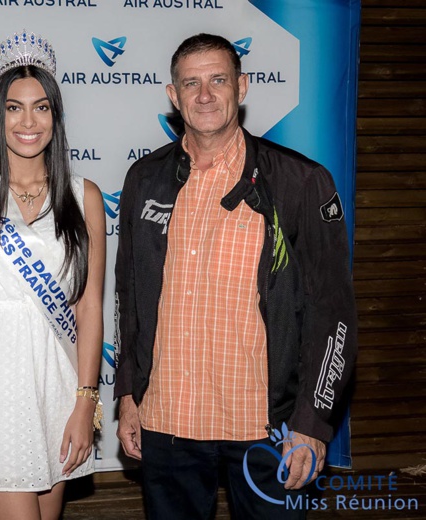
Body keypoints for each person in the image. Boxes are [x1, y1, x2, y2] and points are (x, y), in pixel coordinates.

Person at [114, 33, 357, 519]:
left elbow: (332, 313)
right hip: (168, 421)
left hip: (268, 428)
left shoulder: (301, 181)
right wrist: (127, 395)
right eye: (192, 83)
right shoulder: (145, 179)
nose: (205, 95)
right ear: (173, 95)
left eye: (218, 80)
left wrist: (311, 422)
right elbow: (130, 299)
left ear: (242, 87)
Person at [0, 31, 106, 520]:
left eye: (42, 107)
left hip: (57, 383)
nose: (28, 121)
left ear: (56, 115)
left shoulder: (84, 195)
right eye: (13, 108)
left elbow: (88, 304)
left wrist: (84, 402)